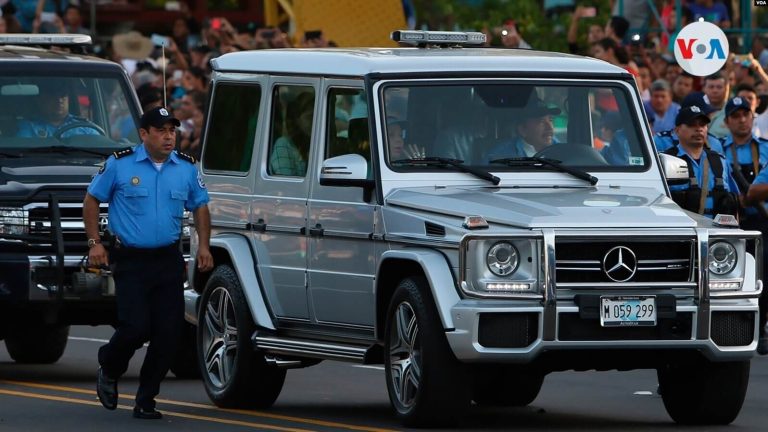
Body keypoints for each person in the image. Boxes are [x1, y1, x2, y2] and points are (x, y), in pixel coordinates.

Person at [83, 107, 213, 419]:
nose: (169, 136)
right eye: (161, 130)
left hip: (167, 259)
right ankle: (109, 365)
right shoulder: (120, 164)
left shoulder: (185, 167)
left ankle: (146, 399)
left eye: (172, 130)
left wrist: (204, 246)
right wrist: (94, 243)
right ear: (144, 134)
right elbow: (91, 200)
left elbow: (201, 206)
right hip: (130, 259)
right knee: (135, 327)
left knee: (168, 333)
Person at [720, 96, 768, 356]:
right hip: (734, 220)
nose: (741, 120)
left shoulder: (764, 147)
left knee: (764, 274)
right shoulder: (719, 149)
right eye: (736, 116)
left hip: (762, 219)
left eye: (745, 114)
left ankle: (760, 328)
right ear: (727, 121)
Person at [663, 105, 739, 219]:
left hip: (716, 233)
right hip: (680, 232)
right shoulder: (665, 161)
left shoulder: (720, 161)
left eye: (702, 125)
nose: (699, 129)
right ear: (677, 130)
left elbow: (734, 199)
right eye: (692, 125)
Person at [16, 82, 101, 139]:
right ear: (40, 100)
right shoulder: (29, 126)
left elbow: (100, 147)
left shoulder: (84, 127)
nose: (59, 100)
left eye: (63, 96)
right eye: (53, 96)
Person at [487, 98, 560, 159]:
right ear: (523, 130)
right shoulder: (500, 156)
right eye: (541, 121)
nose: (550, 127)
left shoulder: (562, 151)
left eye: (550, 120)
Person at [654, 91, 725, 154]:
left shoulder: (714, 143)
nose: (699, 128)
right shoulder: (661, 141)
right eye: (692, 123)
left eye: (703, 122)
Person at [269, 92, 314, 176]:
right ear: (297, 119)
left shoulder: (312, 145)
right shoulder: (284, 144)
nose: (314, 122)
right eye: (310, 117)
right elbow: (286, 184)